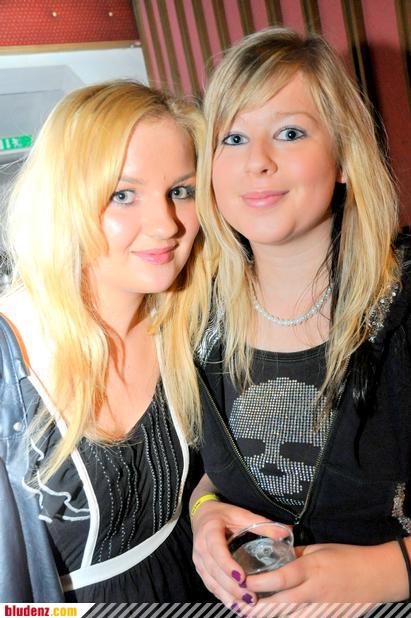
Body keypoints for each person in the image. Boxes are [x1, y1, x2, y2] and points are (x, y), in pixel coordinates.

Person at [191, 26, 411, 612]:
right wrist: (205, 512)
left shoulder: (402, 305)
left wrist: (389, 571)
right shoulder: (199, 319)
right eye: (233, 137)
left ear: (343, 158)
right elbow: (228, 468)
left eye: (289, 133)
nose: (257, 162)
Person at [0, 80, 214, 603]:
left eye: (181, 191)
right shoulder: (11, 359)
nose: (166, 225)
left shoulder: (191, 323)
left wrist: (208, 512)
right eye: (123, 194)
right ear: (65, 203)